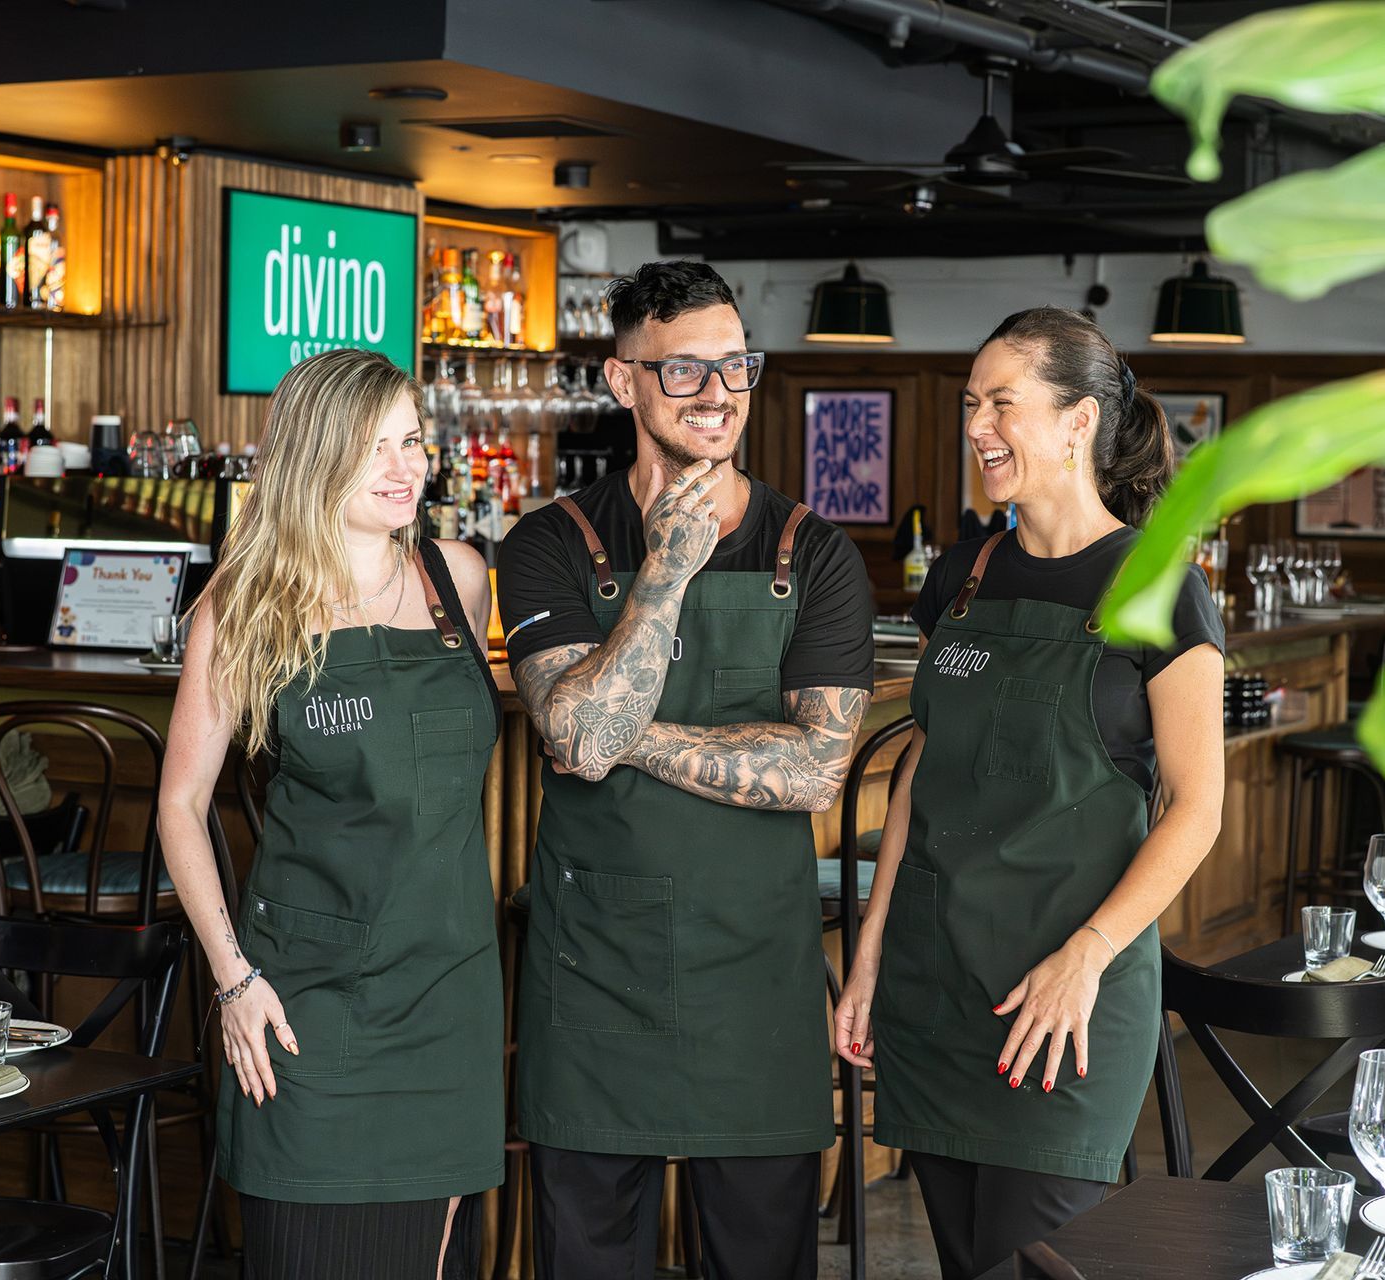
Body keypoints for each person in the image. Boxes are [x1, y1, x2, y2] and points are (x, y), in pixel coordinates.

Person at [496, 260, 876, 1279]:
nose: (720, 394)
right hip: (592, 979)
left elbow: (814, 772)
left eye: (737, 366)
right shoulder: (549, 542)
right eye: (686, 372)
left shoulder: (815, 551)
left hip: (755, 979)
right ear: (623, 382)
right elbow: (572, 738)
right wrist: (665, 569)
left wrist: (624, 733)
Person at [836, 307, 1226, 1279]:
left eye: (1002, 403)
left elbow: (1197, 806)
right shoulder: (965, 575)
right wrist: (873, 949)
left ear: (1078, 421)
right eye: (972, 403)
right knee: (968, 1262)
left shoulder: (1160, 586)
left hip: (1064, 993)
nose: (977, 426)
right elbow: (926, 771)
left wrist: (1087, 957)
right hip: (938, 984)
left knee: (1040, 1260)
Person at [158, 348, 501, 1280]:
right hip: (304, 1004)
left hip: (450, 997)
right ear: (315, 456)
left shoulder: (458, 581)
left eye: (413, 442)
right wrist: (232, 979)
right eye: (372, 448)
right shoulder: (244, 606)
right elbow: (181, 807)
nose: (405, 468)